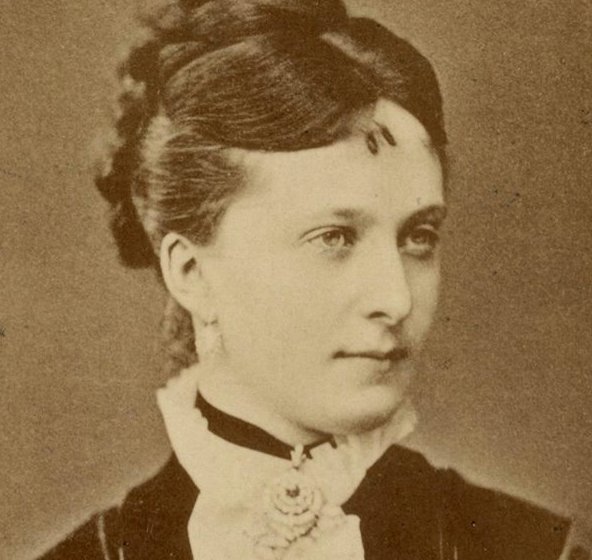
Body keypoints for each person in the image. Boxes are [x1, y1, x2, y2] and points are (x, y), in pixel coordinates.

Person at [38, 0, 590, 559]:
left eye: (418, 236)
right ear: (192, 272)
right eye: (334, 238)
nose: (396, 298)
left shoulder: (532, 550)